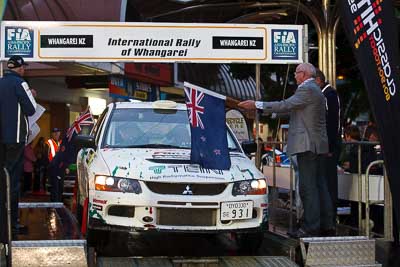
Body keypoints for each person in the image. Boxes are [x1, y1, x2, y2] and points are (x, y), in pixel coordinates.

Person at [238, 63, 333, 238]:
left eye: (296, 74)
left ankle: (310, 227)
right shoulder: (314, 90)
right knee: (320, 186)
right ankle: (327, 225)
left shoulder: (307, 89)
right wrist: (272, 113)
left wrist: (257, 104)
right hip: (316, 145)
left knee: (308, 188)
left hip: (307, 146)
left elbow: (286, 104)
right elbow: (295, 111)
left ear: (303, 74)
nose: (294, 77)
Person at [0, 55, 37, 236]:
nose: (24, 71)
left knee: (1, 180)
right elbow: (31, 109)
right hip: (14, 139)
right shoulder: (20, 83)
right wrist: (31, 95)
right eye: (24, 68)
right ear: (20, 68)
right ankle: (11, 225)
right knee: (12, 182)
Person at [315, 69, 341, 229]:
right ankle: (327, 218)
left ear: (318, 80)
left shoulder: (330, 95)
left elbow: (334, 123)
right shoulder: (326, 95)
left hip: (329, 146)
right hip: (326, 145)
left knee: (329, 182)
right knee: (324, 181)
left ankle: (330, 219)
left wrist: (330, 146)